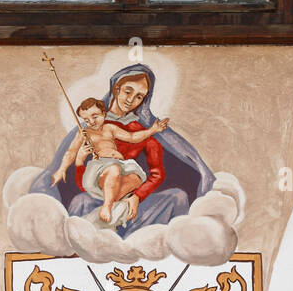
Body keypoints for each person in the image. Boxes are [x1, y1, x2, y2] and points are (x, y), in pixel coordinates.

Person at [32, 64, 215, 237]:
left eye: (139, 96)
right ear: (116, 88)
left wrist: (136, 197)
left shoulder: (142, 129)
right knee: (81, 202)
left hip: (135, 200)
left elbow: (156, 174)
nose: (131, 100)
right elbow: (81, 180)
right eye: (128, 91)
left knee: (178, 197)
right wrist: (79, 161)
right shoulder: (89, 128)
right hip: (100, 196)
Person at [51, 97, 171, 225]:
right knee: (113, 169)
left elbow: (132, 137)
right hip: (100, 167)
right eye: (86, 120)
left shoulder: (110, 128)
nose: (91, 121)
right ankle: (107, 206)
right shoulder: (84, 133)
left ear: (104, 113)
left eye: (95, 116)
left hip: (121, 165)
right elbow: (71, 152)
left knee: (136, 179)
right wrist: (61, 169)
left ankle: (113, 205)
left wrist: (152, 130)